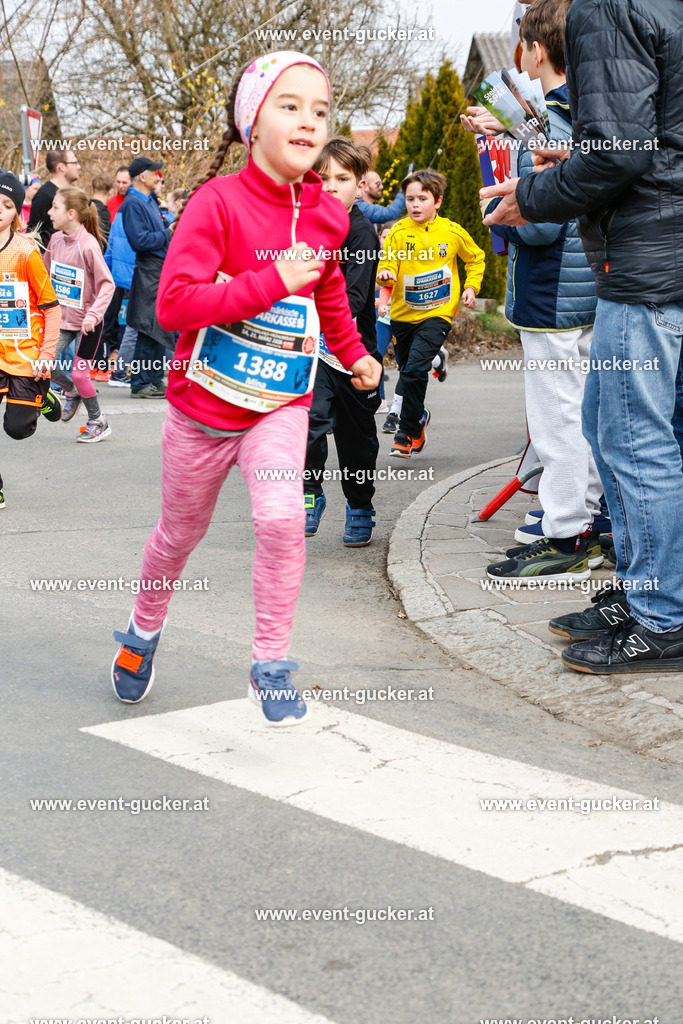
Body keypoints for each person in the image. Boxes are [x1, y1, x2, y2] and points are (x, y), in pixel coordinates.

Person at [110, 51, 381, 724]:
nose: (309, 121)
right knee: (178, 535)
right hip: (202, 409)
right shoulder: (217, 202)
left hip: (278, 404)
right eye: (290, 106)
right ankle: (142, 631)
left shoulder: (327, 215)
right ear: (252, 122)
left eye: (320, 110)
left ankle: (269, 664)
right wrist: (269, 281)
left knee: (283, 520)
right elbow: (174, 305)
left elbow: (326, 295)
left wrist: (354, 354)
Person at [482, 0, 683, 673]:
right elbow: (654, 142)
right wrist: (576, 154)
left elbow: (621, 154)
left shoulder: (608, 5)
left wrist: (534, 193)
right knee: (624, 428)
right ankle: (650, 589)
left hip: (646, 260)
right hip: (661, 252)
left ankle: (661, 616)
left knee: (630, 437)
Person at [479, 0, 601, 584]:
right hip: (588, 288)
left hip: (549, 294)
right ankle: (588, 521)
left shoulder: (546, 123)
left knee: (557, 420)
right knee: (583, 414)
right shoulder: (586, 111)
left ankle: (565, 534)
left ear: (535, 51)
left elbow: (543, 221)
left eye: (520, 49)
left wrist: (504, 216)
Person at [303, 136, 382, 545]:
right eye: (322, 178)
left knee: (356, 441)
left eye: (342, 178)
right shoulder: (303, 228)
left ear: (360, 185)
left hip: (353, 354)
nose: (331, 187)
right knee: (308, 423)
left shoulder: (361, 233)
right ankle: (309, 493)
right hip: (309, 350)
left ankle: (360, 505)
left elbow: (351, 299)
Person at [377, 168, 484, 458]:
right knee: (410, 373)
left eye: (422, 199)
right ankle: (419, 418)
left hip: (438, 313)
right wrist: (385, 275)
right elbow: (387, 265)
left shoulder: (451, 232)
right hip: (403, 316)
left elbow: (476, 258)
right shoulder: (398, 232)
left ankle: (404, 432)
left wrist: (471, 287)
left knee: (414, 370)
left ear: (437, 201)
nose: (414, 205)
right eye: (410, 199)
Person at [0, 172, 62, 508]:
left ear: (16, 213)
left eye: (7, 205)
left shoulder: (25, 253)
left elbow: (52, 309)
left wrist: (46, 355)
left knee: (17, 429)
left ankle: (44, 398)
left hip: (25, 354)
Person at [44, 187, 115, 442]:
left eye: (55, 207)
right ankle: (72, 392)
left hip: (88, 324)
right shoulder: (55, 240)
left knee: (80, 373)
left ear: (71, 213)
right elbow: (44, 278)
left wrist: (93, 315)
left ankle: (98, 422)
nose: (49, 212)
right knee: (43, 363)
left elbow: (107, 284)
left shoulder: (88, 245)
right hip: (62, 321)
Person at [120, 158, 175, 398]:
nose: (158, 176)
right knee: (147, 327)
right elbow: (140, 241)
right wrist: (167, 233)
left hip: (159, 269)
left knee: (159, 326)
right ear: (142, 176)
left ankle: (154, 379)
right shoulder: (133, 203)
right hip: (148, 269)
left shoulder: (149, 200)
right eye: (154, 172)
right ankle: (140, 383)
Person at [104, 204, 137, 387]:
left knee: (133, 325)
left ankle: (122, 369)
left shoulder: (124, 211)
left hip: (123, 275)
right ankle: (119, 370)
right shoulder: (133, 209)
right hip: (132, 276)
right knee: (134, 326)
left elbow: (111, 244)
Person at [28, 149, 80, 248]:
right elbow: (33, 233)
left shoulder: (72, 194)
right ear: (61, 167)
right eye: (74, 163)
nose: (78, 167)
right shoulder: (43, 196)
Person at [90, 174, 113, 245]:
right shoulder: (104, 212)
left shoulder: (84, 206)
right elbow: (104, 240)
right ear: (110, 191)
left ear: (92, 189)